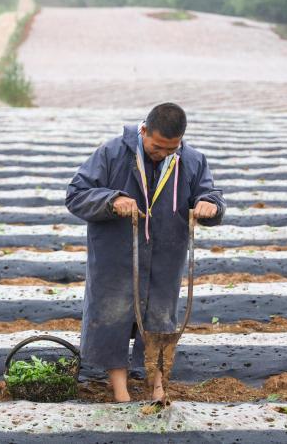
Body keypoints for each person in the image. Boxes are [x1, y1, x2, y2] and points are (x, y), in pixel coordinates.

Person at [65, 102, 226, 402]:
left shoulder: (191, 160)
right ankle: (120, 391)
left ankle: (157, 387)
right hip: (116, 257)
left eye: (171, 149)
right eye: (157, 147)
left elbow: (211, 195)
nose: (163, 154)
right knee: (111, 317)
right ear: (143, 131)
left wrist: (210, 206)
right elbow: (75, 194)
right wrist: (112, 200)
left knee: (160, 320)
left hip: (166, 257)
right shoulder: (112, 153)